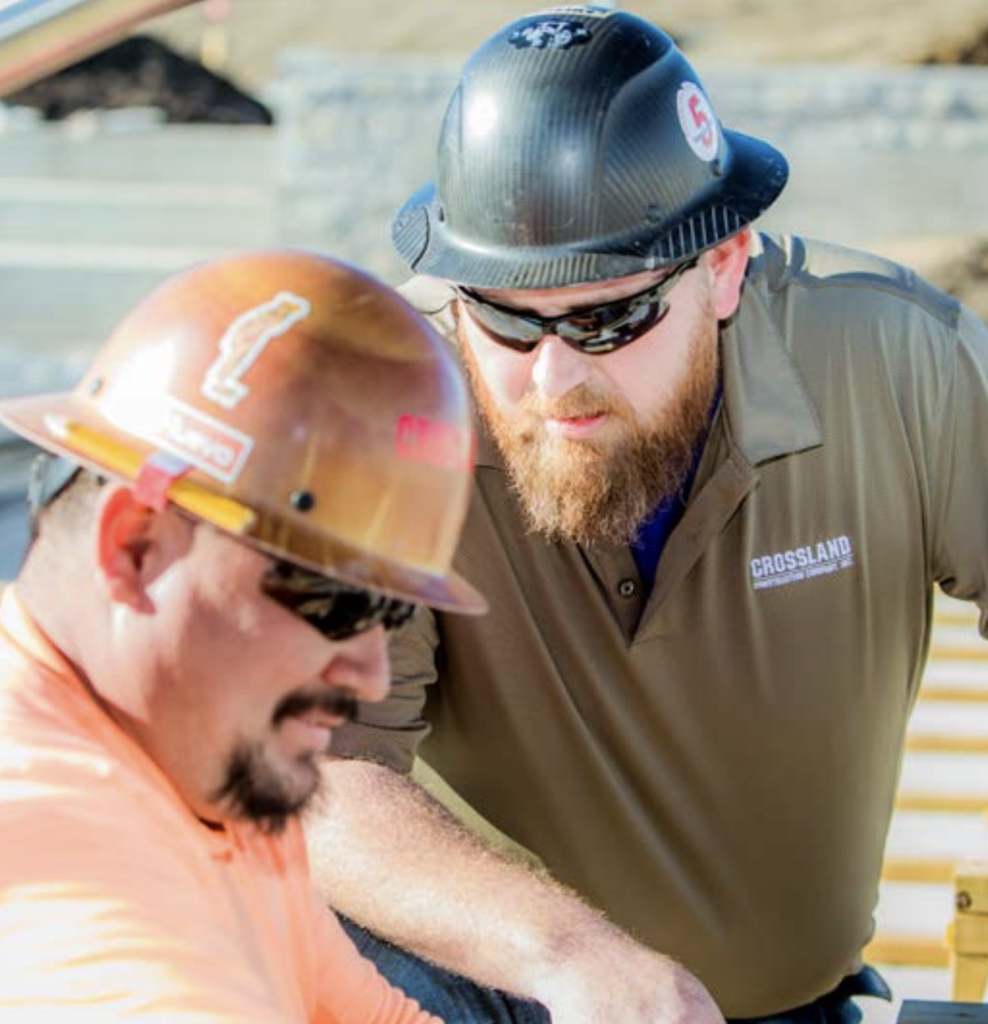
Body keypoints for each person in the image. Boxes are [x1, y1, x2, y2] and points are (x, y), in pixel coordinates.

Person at [305, 5, 988, 1024]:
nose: (553, 379)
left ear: (721, 267)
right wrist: (569, 955)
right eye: (502, 317)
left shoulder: (890, 361)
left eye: (608, 316)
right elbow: (320, 775)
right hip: (480, 994)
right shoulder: (390, 406)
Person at [0, 248, 489, 1022]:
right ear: (134, 546)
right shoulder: (45, 836)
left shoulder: (208, 761)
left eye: (392, 612)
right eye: (337, 600)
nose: (368, 670)